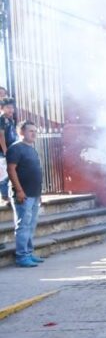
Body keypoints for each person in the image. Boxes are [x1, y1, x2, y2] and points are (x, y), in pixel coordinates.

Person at [6, 121, 43, 267]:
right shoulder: (15, 148)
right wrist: (19, 191)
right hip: (23, 194)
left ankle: (28, 253)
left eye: (35, 131)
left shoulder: (32, 149)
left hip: (34, 193)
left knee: (31, 225)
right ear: (21, 132)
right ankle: (22, 256)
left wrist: (39, 193)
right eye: (30, 131)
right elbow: (11, 170)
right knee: (23, 225)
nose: (34, 134)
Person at [0, 97, 16, 202]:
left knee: (10, 171)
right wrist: (5, 151)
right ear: (2, 108)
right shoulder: (1, 119)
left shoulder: (10, 119)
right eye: (8, 107)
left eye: (12, 107)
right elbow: (1, 136)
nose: (11, 110)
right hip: (2, 151)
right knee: (4, 174)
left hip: (10, 149)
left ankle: (9, 194)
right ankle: (5, 195)